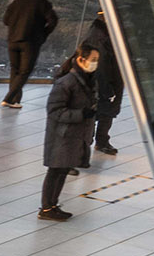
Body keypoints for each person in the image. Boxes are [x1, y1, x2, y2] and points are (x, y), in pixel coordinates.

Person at [41, 42, 101, 221]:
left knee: (62, 171)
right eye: (93, 60)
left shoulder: (87, 80)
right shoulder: (67, 82)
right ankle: (46, 208)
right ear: (81, 60)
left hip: (74, 135)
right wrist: (81, 114)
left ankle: (52, 205)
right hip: (62, 136)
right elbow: (54, 111)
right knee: (55, 172)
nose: (96, 63)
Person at [0, 0, 58, 108]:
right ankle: (9, 99)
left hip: (13, 40)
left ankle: (15, 100)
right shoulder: (43, 4)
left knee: (15, 70)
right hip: (31, 42)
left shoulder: (16, 3)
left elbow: (6, 20)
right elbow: (53, 21)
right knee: (25, 71)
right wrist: (43, 34)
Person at [83, 13, 124, 156]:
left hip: (109, 78)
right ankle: (95, 141)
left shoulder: (104, 32)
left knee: (106, 110)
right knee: (102, 110)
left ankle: (100, 141)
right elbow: (103, 65)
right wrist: (108, 88)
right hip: (106, 80)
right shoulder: (101, 36)